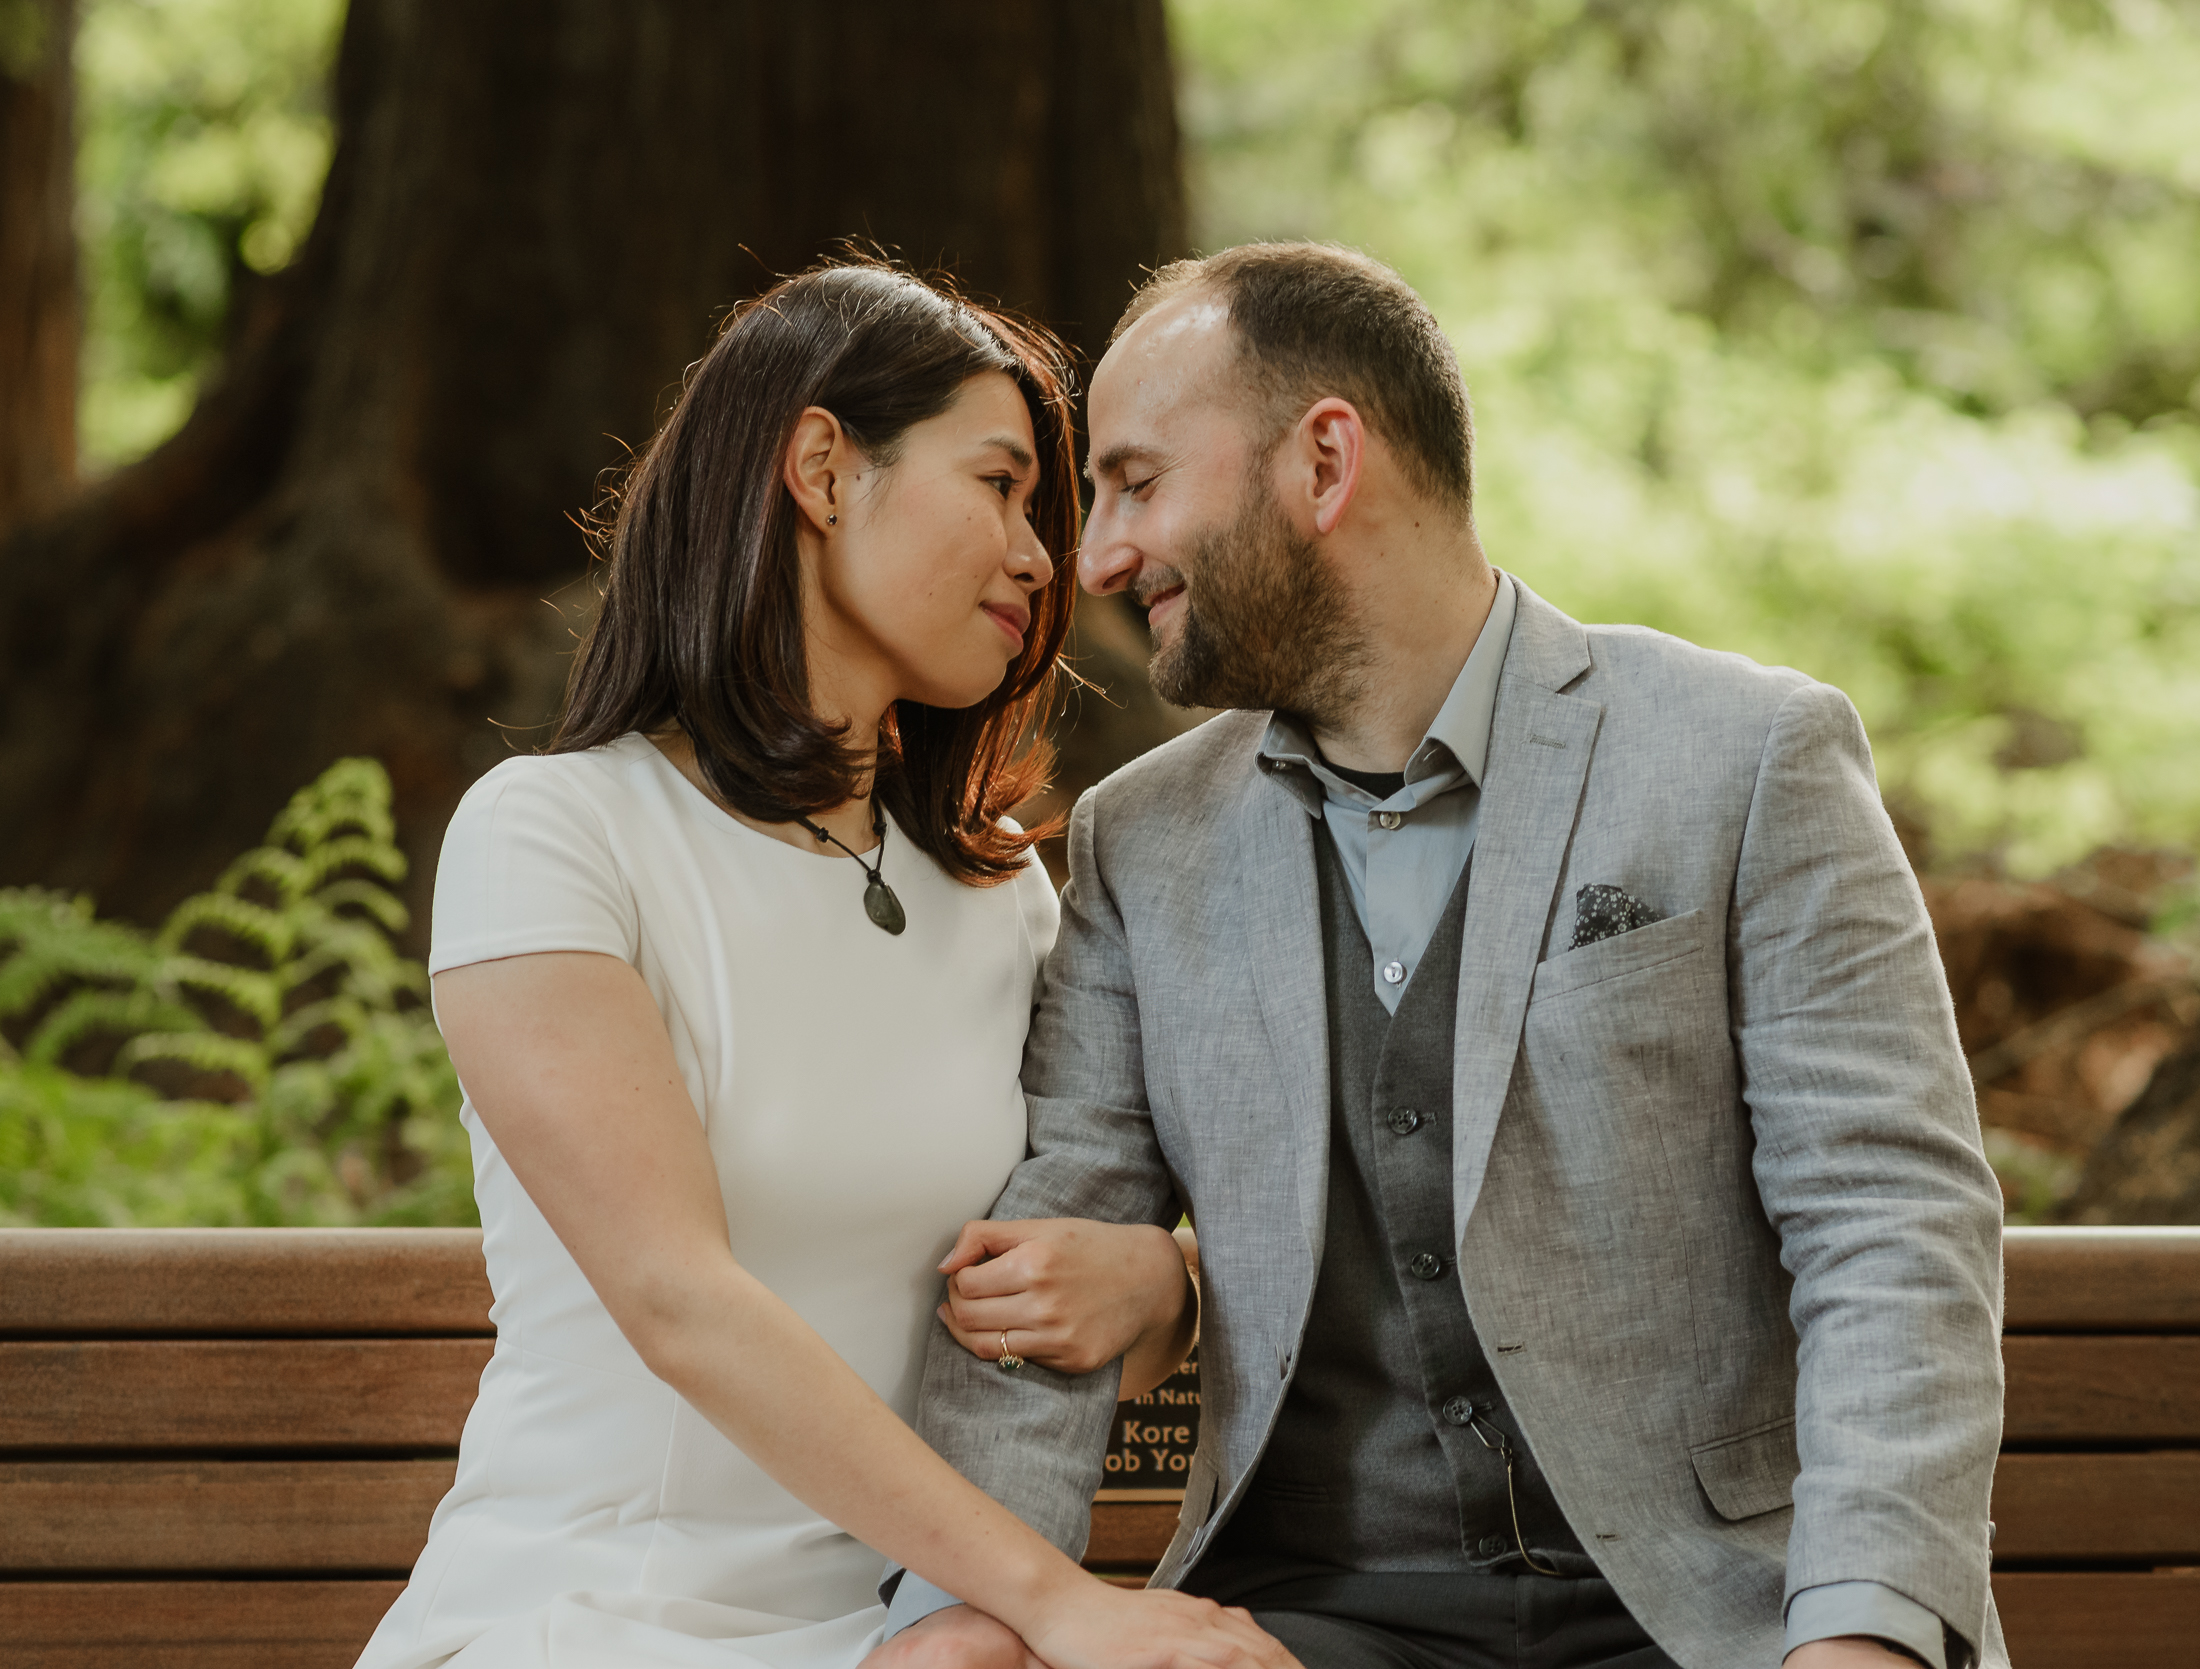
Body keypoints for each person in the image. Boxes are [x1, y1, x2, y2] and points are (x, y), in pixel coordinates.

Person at [880, 244, 2010, 1669]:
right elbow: (1031, 1282)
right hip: (1307, 1618)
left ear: (1326, 461)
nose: (1097, 555)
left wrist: (1865, 1636)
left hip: (1718, 1611)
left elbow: (1890, 1229)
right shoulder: (1138, 843)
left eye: (1136, 481)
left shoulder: (1744, 757)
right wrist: (961, 1624)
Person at [358, 260, 1301, 1669]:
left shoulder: (1003, 898)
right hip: (597, 1611)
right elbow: (681, 1298)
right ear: (820, 468)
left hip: (909, 1630)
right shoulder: (557, 837)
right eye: (999, 484)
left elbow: (1059, 1267)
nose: (1047, 557)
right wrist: (1055, 1602)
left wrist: (1164, 1291)